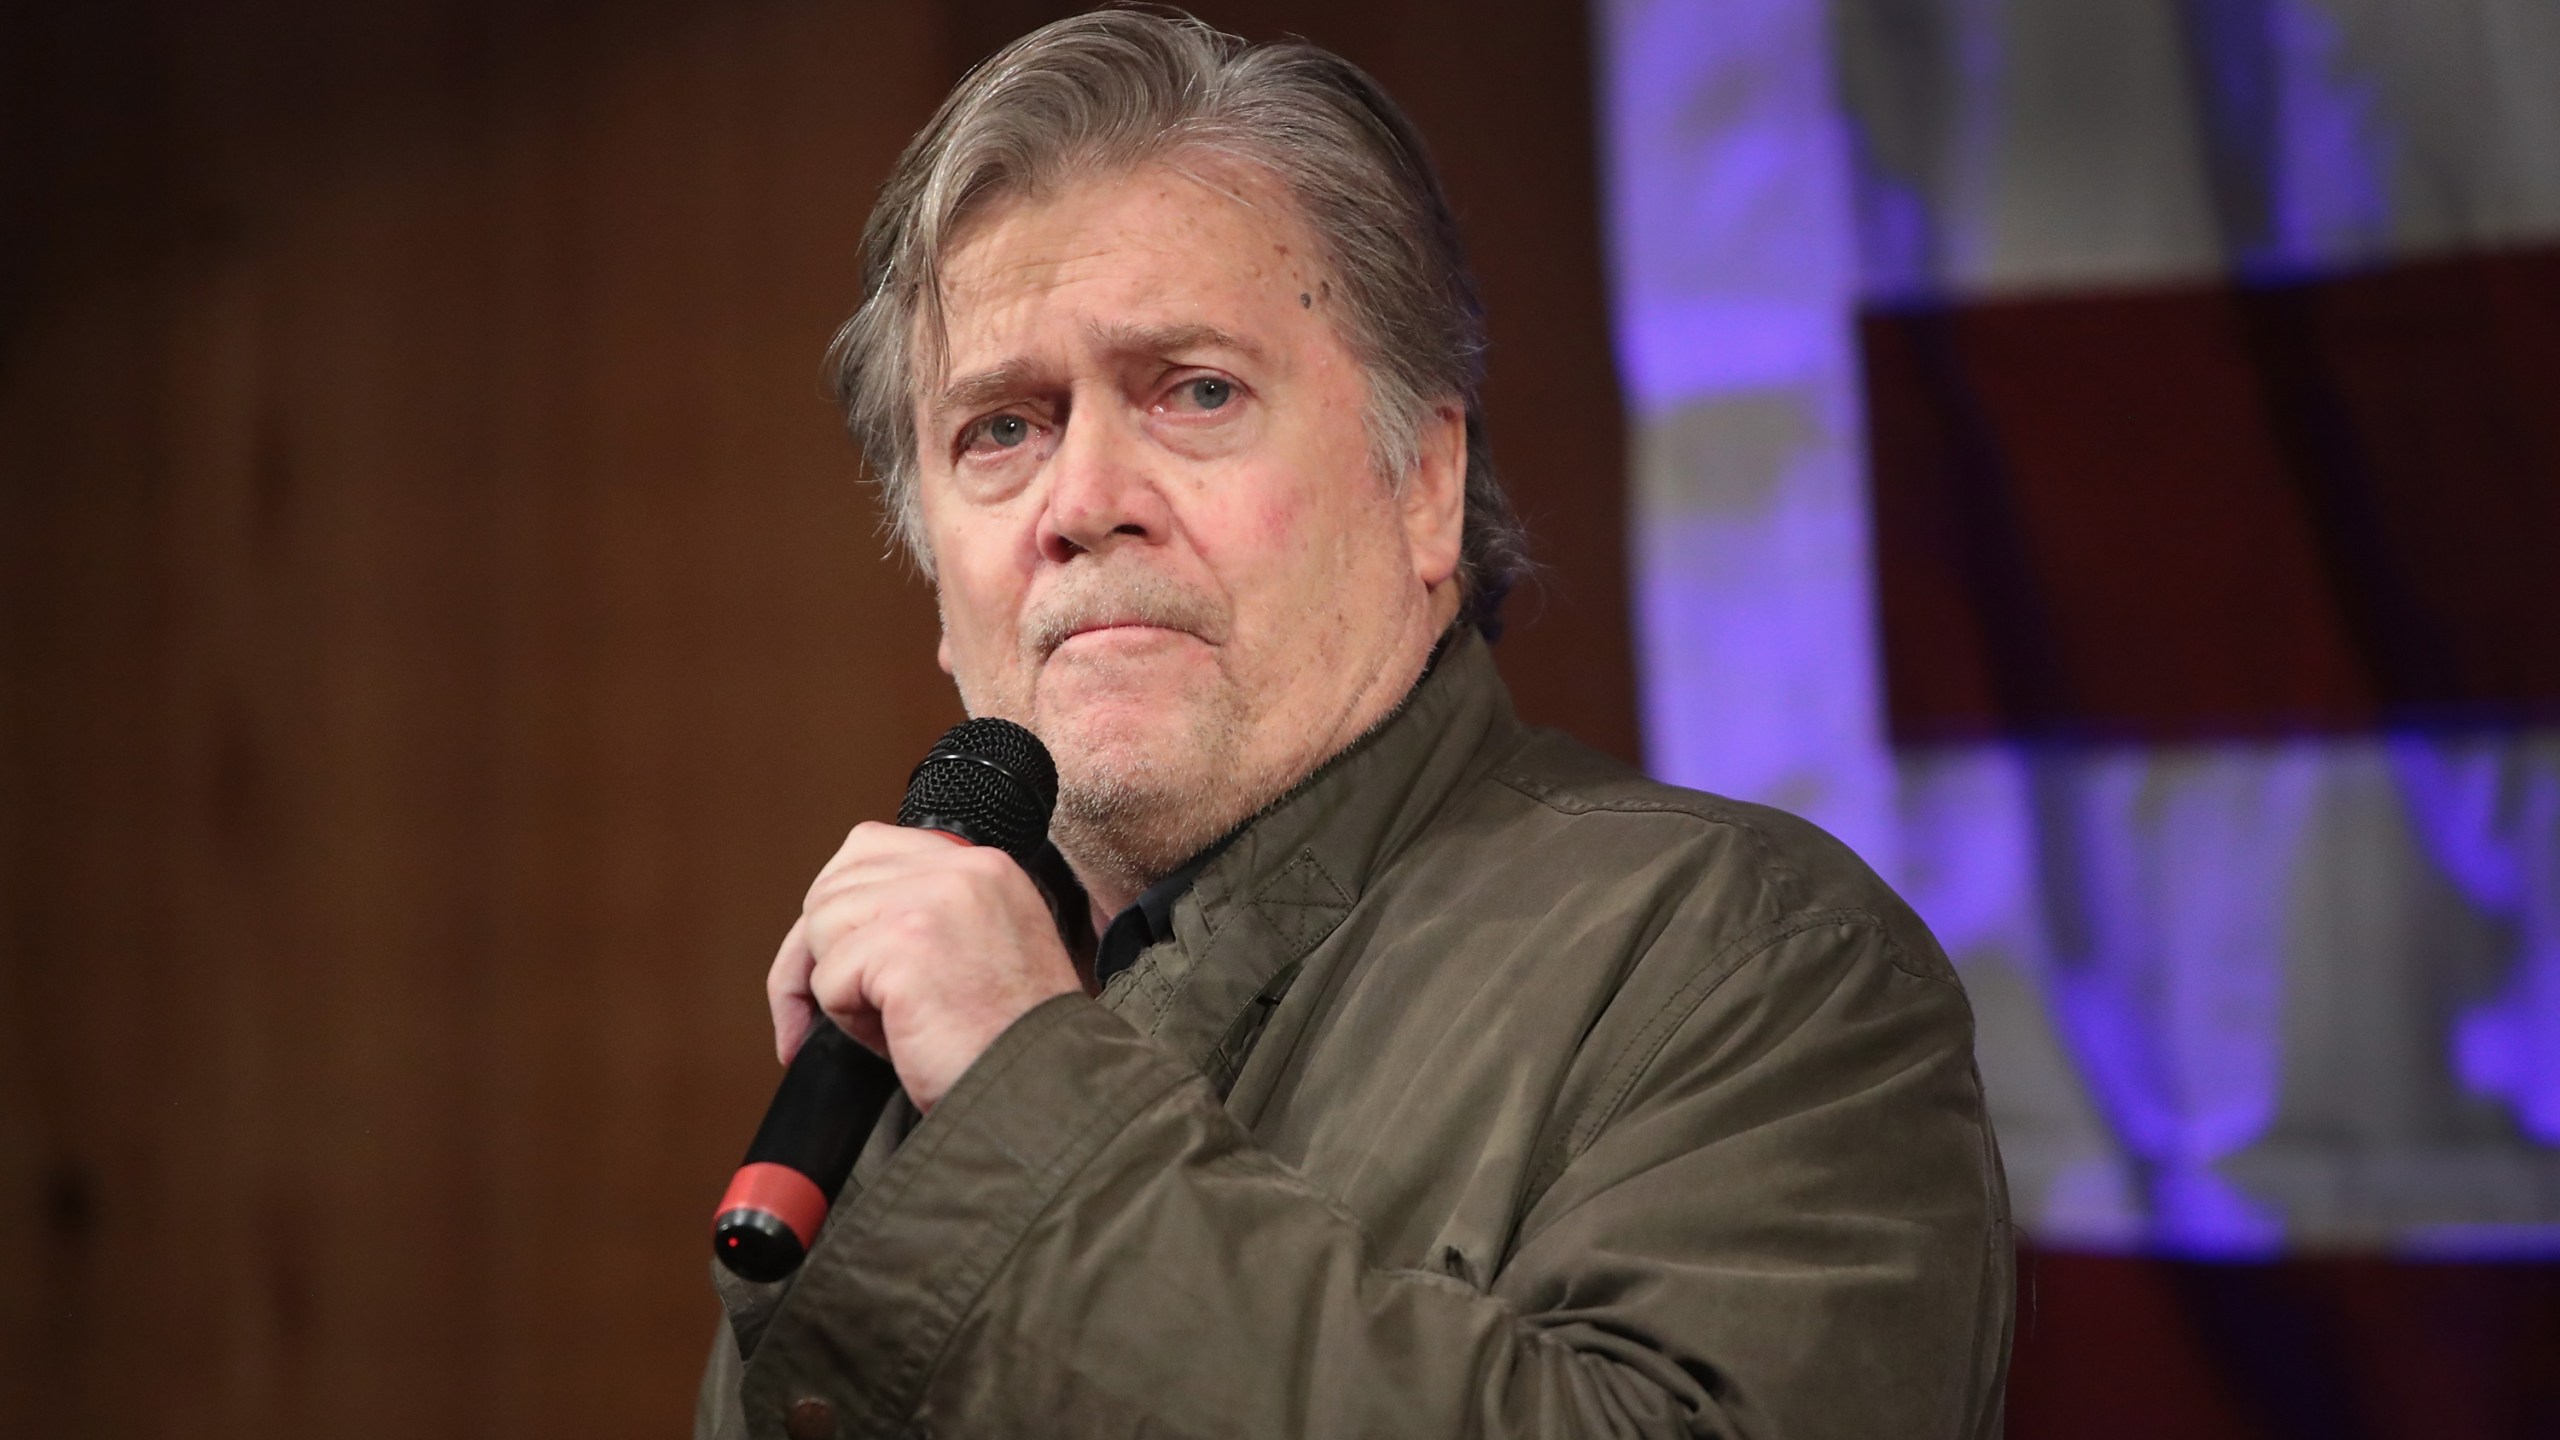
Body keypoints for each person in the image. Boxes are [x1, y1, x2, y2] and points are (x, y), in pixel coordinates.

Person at [695, 11, 2011, 1439]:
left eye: (1195, 391)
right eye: (1000, 429)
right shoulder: (895, 1066)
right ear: (939, 584)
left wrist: (1029, 1092)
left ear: (1424, 484)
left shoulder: (1760, 962)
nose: (1080, 502)